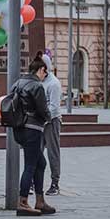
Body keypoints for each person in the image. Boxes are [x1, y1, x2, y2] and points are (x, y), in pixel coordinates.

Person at [10, 57, 55, 216]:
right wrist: (49, 117)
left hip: (19, 129)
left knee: (40, 163)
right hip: (33, 129)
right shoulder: (36, 86)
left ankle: (40, 200)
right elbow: (42, 109)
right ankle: (22, 202)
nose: (45, 76)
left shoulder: (17, 83)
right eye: (45, 73)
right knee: (30, 165)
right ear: (41, 70)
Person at [41, 54, 63, 196]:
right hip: (40, 121)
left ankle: (55, 183)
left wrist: (43, 117)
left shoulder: (53, 84)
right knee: (36, 152)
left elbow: (54, 107)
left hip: (52, 121)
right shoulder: (39, 81)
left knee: (52, 152)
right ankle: (33, 182)